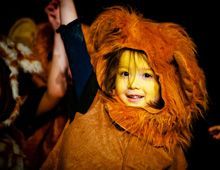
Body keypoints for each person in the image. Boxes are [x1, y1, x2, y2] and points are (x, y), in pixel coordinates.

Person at [41, 0, 208, 169]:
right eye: (125, 73)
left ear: (164, 85)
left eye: (147, 75)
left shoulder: (169, 144)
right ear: (113, 79)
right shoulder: (94, 103)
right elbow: (74, 42)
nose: (133, 84)